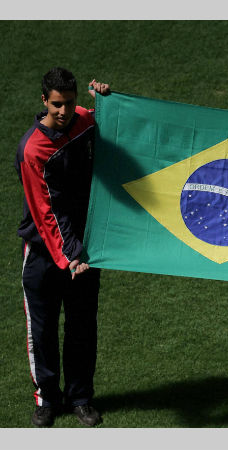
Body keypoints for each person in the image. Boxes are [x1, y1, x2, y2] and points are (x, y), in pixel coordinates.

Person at [15, 67, 110, 427]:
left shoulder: (83, 120)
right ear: (44, 101)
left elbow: (115, 123)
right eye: (57, 105)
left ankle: (81, 397)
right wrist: (68, 255)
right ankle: (47, 399)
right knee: (41, 330)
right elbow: (46, 211)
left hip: (82, 252)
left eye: (70, 103)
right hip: (43, 253)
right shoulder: (32, 149)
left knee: (83, 327)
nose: (64, 112)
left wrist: (107, 100)